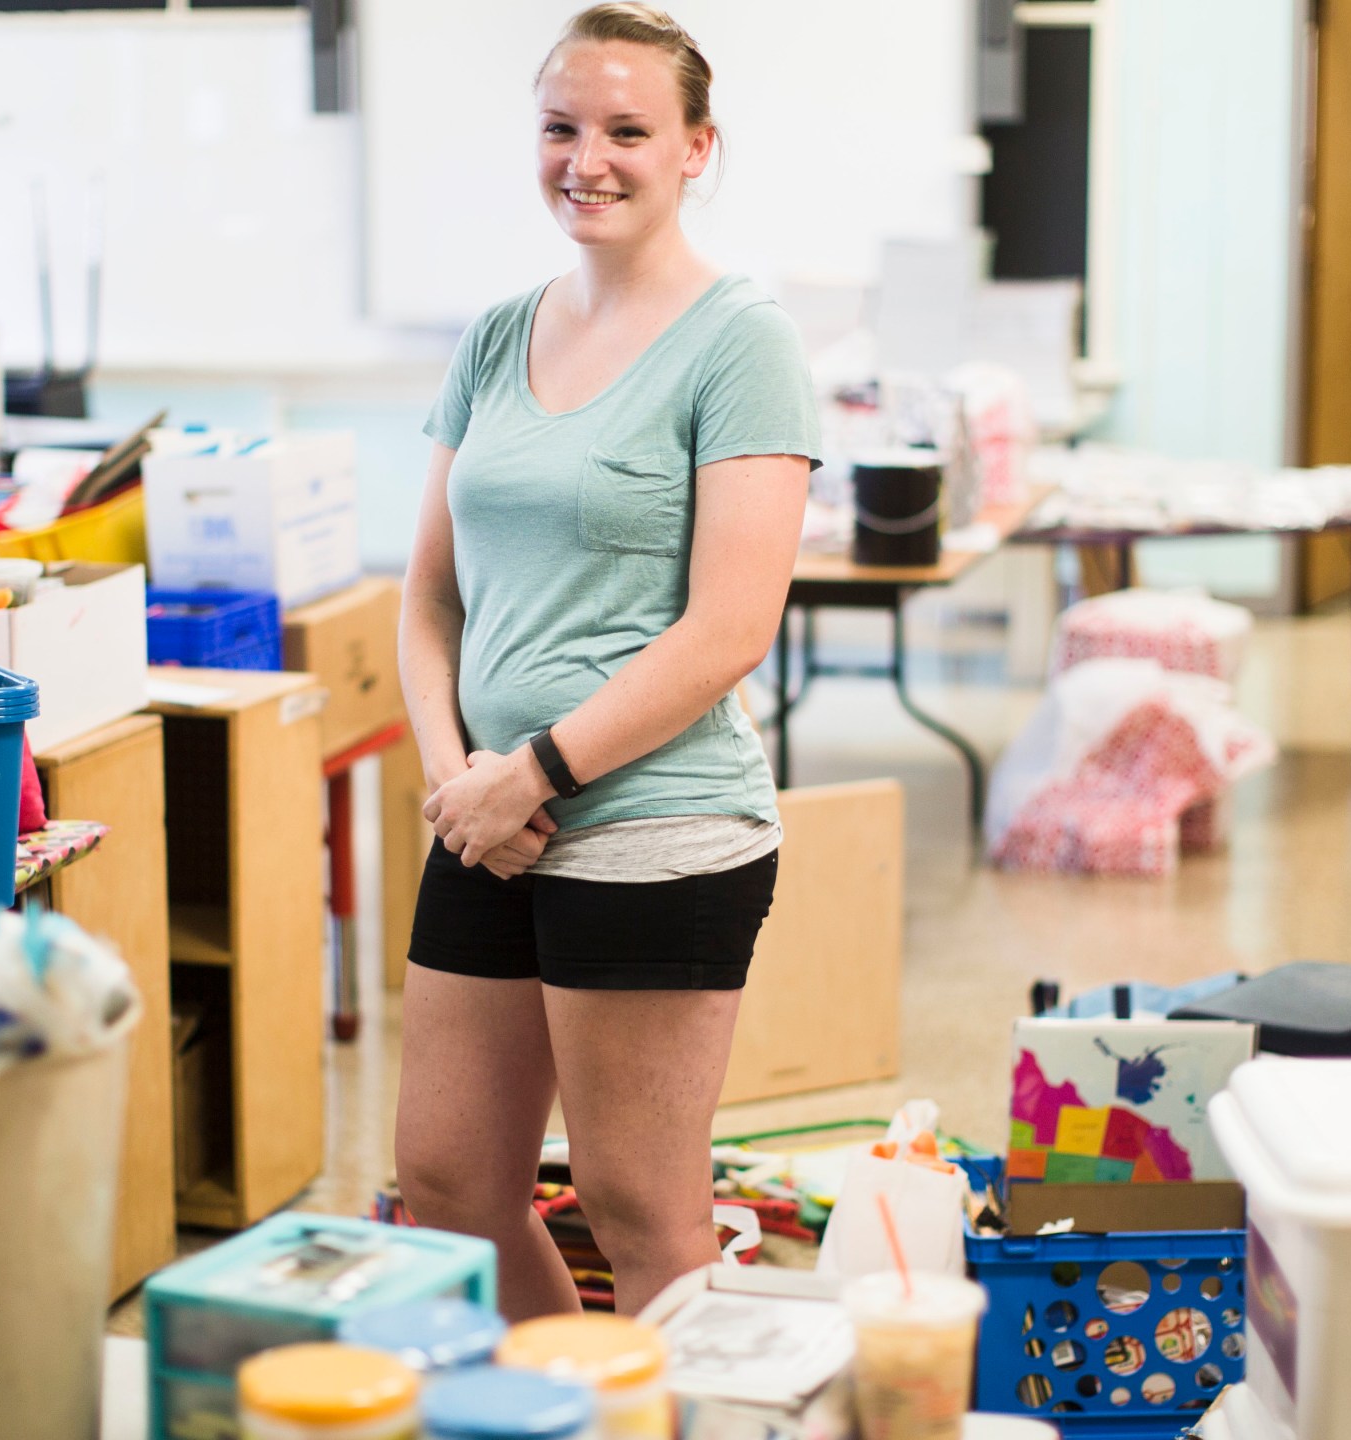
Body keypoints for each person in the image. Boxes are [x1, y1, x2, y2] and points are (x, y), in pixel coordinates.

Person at [393, 3, 819, 1319]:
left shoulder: (741, 340)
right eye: (563, 127)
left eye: (629, 130)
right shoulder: (495, 334)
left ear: (697, 147)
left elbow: (730, 629)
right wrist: (460, 782)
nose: (591, 157)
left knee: (642, 1209)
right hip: (488, 822)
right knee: (449, 1184)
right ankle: (572, 1407)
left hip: (655, 821)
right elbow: (426, 600)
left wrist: (535, 772)